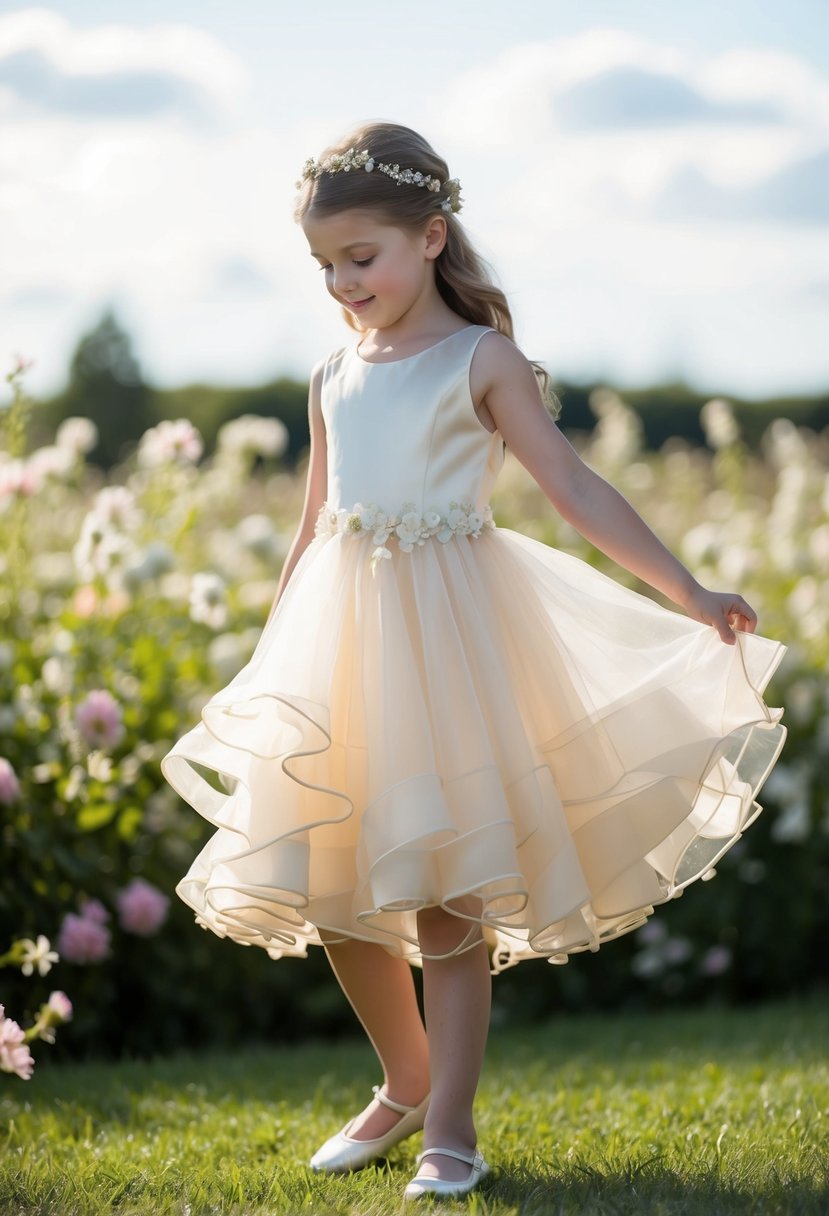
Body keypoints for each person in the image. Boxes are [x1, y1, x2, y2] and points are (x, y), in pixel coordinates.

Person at [161, 121, 786, 1200]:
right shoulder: (331, 373)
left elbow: (573, 489)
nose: (343, 284)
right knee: (333, 882)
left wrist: (687, 590)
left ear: (430, 236)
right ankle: (402, 1077)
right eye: (324, 266)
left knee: (445, 893)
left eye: (361, 259)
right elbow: (313, 527)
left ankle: (451, 1120)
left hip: (450, 648)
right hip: (342, 650)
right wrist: (273, 664)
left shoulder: (481, 360)